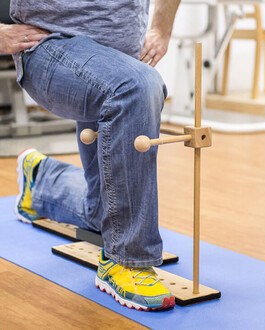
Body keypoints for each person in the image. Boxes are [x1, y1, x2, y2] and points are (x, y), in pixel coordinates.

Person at [8, 0, 181, 311]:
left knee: (107, 214)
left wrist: (161, 27)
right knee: (138, 86)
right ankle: (126, 261)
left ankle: (41, 180)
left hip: (118, 56)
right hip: (50, 47)